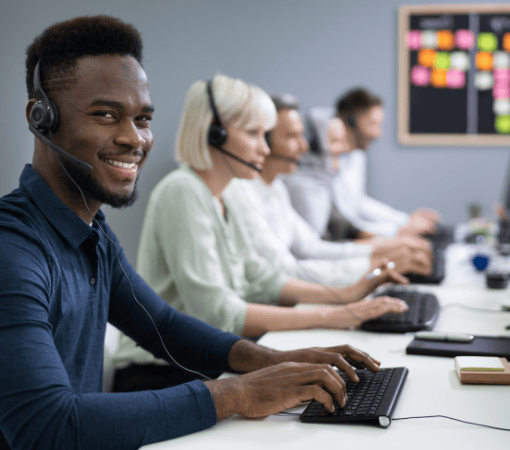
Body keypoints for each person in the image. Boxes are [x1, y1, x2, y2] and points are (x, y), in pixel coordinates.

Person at [0, 16, 392, 450]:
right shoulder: (2, 253)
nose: (135, 138)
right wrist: (236, 395)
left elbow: (162, 326)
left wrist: (277, 362)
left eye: (143, 118)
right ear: (41, 118)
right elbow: (47, 426)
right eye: (106, 115)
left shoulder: (92, 234)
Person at [110, 74, 409, 385]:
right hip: (158, 372)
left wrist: (345, 296)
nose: (264, 149)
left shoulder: (227, 192)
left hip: (206, 360)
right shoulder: (182, 192)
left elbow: (263, 277)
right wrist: (333, 315)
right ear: (215, 133)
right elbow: (218, 313)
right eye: (254, 134)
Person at [226, 93, 433, 287]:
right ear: (266, 142)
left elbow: (311, 246)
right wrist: (376, 263)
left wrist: (381, 252)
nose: (304, 146)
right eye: (292, 136)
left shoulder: (276, 187)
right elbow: (290, 268)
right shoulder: (262, 191)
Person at [282, 88, 440, 240]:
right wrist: (398, 229)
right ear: (351, 122)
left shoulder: (357, 155)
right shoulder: (315, 169)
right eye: (373, 124)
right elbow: (345, 223)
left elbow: (357, 203)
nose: (379, 133)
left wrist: (405, 221)